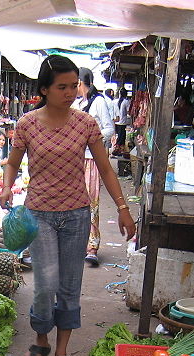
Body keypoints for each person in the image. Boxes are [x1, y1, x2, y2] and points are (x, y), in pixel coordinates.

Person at [0, 55, 135, 356]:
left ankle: (61, 354)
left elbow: (105, 168)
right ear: (44, 89)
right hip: (39, 214)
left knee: (71, 285)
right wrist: (6, 186)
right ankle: (40, 341)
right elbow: (13, 163)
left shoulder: (86, 124)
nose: (71, 92)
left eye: (74, 85)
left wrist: (124, 209)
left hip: (76, 215)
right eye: (63, 86)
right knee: (46, 284)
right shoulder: (27, 124)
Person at [73, 67, 116, 268]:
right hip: (74, 160)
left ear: (82, 83)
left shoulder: (98, 102)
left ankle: (92, 247)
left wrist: (92, 140)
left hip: (91, 160)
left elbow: (109, 128)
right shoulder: (76, 103)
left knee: (91, 203)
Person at [112, 88, 131, 157]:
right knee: (121, 136)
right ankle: (118, 149)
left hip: (116, 121)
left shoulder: (114, 101)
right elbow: (128, 112)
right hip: (122, 122)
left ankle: (119, 149)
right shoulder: (126, 101)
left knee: (119, 135)